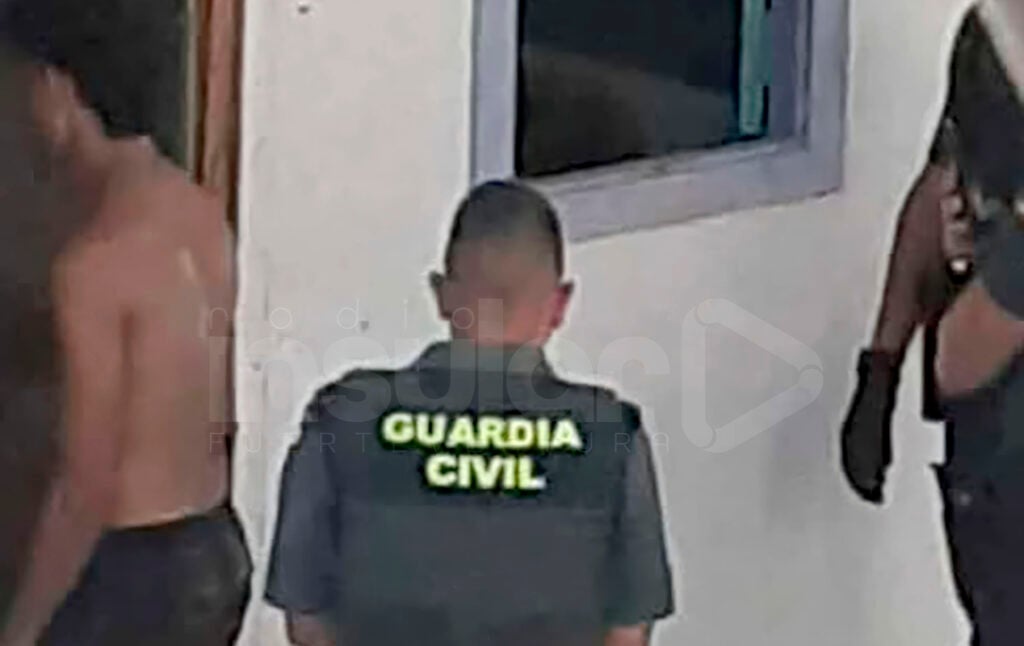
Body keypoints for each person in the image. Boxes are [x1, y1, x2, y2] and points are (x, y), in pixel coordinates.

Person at [265, 181, 675, 646]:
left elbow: (306, 622)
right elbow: (628, 635)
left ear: (441, 295)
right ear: (560, 304)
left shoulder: (344, 418)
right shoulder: (609, 435)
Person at [0, 23, 250, 646]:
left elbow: (85, 484)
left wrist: (23, 626)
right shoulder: (196, 211)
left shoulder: (95, 261)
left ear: (58, 94)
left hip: (133, 573)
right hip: (212, 540)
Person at [844, 3, 1024, 643]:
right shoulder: (986, 40)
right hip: (991, 463)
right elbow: (942, 181)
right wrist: (881, 365)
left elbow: (960, 364)